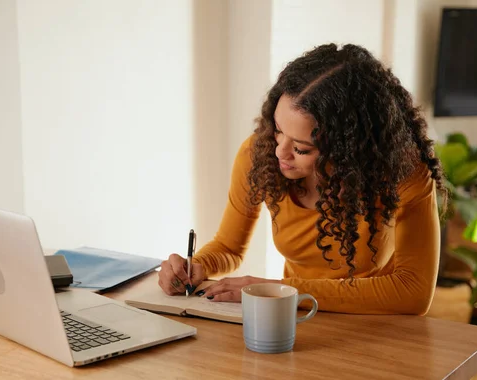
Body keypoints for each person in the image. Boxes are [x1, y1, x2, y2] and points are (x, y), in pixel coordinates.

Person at [158, 43, 446, 315]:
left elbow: (413, 292)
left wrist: (283, 291)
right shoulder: (259, 154)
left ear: (348, 150)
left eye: (301, 148)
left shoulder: (402, 174)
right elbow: (228, 247)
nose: (280, 151)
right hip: (300, 317)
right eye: (278, 130)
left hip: (376, 324)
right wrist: (196, 267)